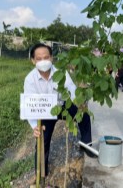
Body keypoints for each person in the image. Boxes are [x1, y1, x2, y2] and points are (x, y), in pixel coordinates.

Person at [23, 43, 94, 182]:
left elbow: (72, 90)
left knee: (84, 117)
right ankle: (41, 174)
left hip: (63, 106)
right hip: (45, 112)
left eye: (46, 57)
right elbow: (30, 105)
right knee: (42, 140)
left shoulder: (61, 73)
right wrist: (34, 126)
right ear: (33, 61)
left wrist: (78, 104)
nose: (43, 61)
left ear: (52, 58)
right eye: (39, 58)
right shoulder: (30, 80)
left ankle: (87, 144)